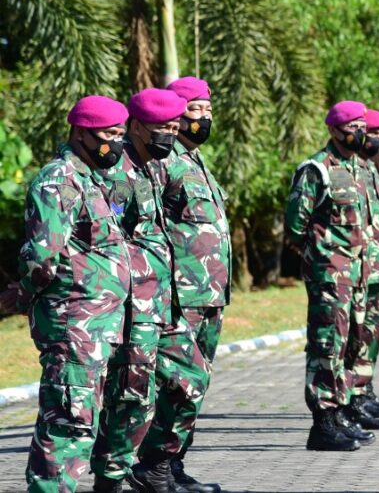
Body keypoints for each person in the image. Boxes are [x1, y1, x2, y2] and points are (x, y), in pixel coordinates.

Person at [13, 96, 133, 493]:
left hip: (98, 324)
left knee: (83, 420)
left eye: (120, 134)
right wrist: (23, 295)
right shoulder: (59, 180)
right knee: (68, 423)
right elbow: (41, 257)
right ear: (81, 132)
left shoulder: (93, 179)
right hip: (72, 323)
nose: (116, 143)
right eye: (108, 135)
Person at [135, 76, 231, 493]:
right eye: (196, 110)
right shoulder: (163, 161)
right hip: (178, 294)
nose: (204, 118)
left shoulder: (195, 159)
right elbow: (145, 227)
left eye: (208, 110)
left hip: (208, 293)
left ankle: (171, 465)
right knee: (180, 382)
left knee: (197, 384)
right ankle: (153, 466)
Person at [91, 88, 185, 493]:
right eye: (163, 127)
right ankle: (111, 478)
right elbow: (106, 237)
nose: (171, 132)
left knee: (182, 381)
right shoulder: (119, 173)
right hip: (131, 305)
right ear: (138, 127)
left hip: (159, 301)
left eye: (174, 125)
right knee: (130, 394)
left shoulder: (152, 168)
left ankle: (149, 467)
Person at [285, 100, 379, 451]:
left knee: (348, 345)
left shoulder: (358, 168)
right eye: (351, 126)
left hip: (357, 276)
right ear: (333, 130)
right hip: (330, 276)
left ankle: (339, 414)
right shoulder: (317, 169)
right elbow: (296, 224)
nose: (359, 132)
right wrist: (322, 257)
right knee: (327, 346)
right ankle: (323, 424)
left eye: (362, 125)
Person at [341, 109, 379, 429]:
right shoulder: (348, 171)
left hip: (374, 269)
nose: (375, 139)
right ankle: (348, 398)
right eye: (374, 133)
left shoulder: (368, 172)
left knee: (370, 333)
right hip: (352, 270)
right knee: (350, 337)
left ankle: (362, 390)